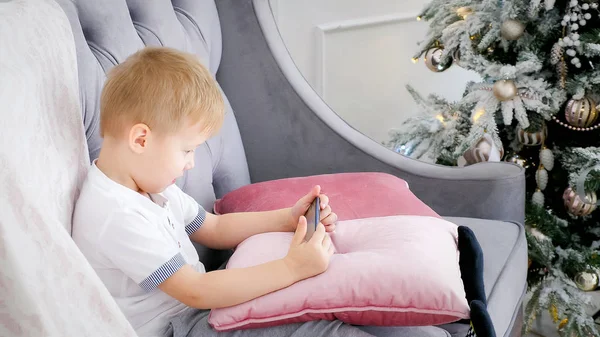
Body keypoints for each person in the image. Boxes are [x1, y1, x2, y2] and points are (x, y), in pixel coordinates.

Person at [73, 46, 423, 337]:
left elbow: (213, 228)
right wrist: (292, 268)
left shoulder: (148, 186)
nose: (191, 164)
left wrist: (287, 219)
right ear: (141, 139)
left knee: (338, 303)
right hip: (180, 327)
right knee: (319, 330)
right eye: (187, 150)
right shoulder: (115, 215)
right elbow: (193, 291)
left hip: (203, 306)